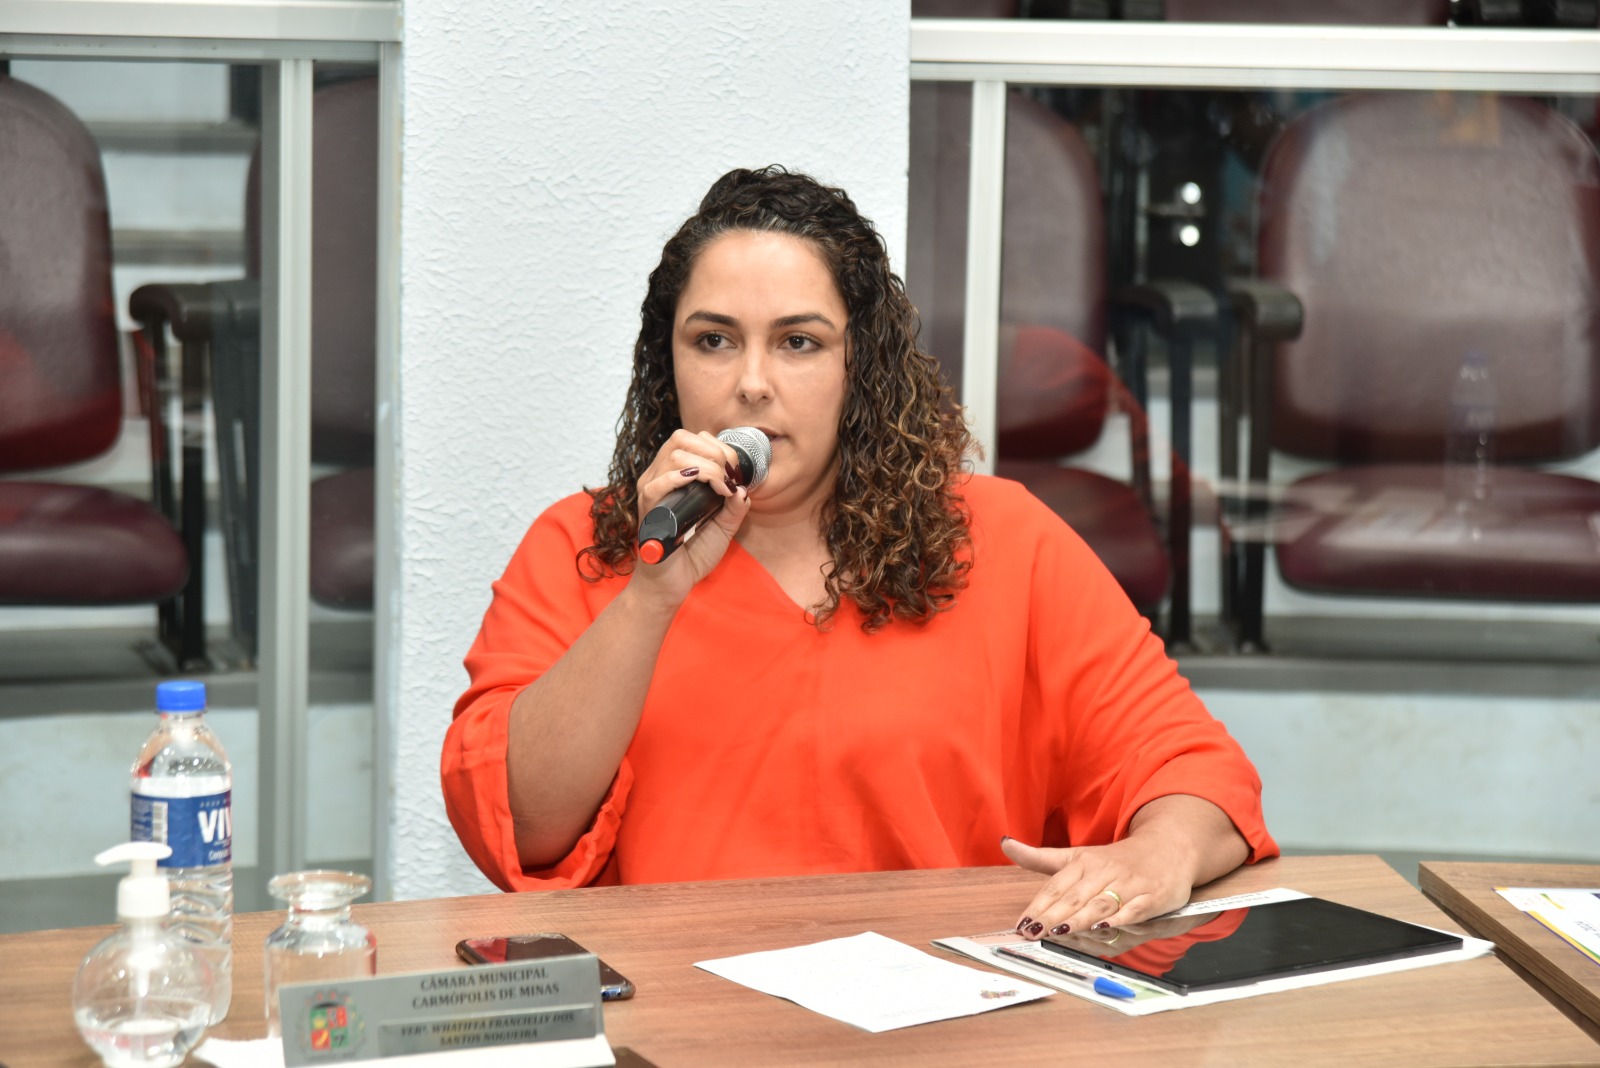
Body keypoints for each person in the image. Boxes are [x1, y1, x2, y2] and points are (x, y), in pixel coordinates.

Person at [442, 165, 1277, 941]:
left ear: (860, 367)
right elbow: (520, 825)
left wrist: (1157, 854)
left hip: (945, 1008)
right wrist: (649, 597)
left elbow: (1193, 769)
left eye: (799, 342)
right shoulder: (582, 546)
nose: (752, 382)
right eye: (714, 340)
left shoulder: (1004, 538)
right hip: (680, 1008)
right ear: (670, 362)